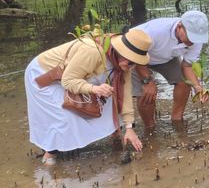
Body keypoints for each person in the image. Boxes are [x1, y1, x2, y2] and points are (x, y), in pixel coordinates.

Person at [25, 29, 153, 165]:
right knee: (65, 116)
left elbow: (125, 95)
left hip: (72, 76)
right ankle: (50, 153)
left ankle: (115, 132)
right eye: (130, 63)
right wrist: (92, 89)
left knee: (110, 95)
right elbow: (68, 81)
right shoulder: (92, 51)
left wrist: (129, 128)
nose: (132, 67)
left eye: (135, 64)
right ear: (121, 52)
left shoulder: (123, 64)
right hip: (44, 75)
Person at [131, 10, 209, 126]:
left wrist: (198, 88)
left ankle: (177, 120)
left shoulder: (196, 39)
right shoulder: (155, 32)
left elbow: (187, 66)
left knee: (184, 82)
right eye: (190, 37)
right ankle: (150, 126)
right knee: (148, 91)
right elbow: (134, 53)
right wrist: (147, 81)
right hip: (136, 56)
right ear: (179, 27)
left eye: (196, 38)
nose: (192, 42)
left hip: (165, 57)